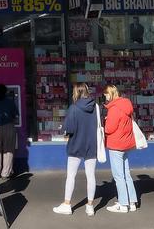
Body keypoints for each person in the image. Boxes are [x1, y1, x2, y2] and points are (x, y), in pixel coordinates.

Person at [52, 83, 98, 216]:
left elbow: (69, 129)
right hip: (91, 145)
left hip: (76, 144)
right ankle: (90, 206)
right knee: (91, 176)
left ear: (76, 92)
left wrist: (63, 127)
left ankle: (67, 204)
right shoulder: (95, 107)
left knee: (71, 176)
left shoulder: (73, 108)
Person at [103, 84, 138, 213]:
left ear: (111, 94)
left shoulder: (114, 109)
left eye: (106, 94)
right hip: (126, 144)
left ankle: (123, 204)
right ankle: (132, 202)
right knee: (126, 174)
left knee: (118, 176)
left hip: (116, 144)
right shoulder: (126, 105)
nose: (105, 97)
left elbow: (109, 129)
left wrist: (105, 122)